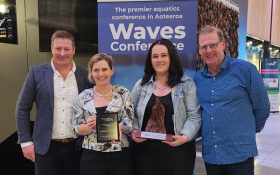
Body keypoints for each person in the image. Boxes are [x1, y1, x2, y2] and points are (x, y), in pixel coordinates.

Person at [193, 25, 270, 175]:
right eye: (204, 47)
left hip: (239, 154)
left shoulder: (245, 70)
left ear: (223, 44)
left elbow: (262, 107)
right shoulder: (198, 78)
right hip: (212, 155)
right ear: (200, 50)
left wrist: (248, 132)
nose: (208, 51)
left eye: (213, 45)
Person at [15, 30, 94, 175]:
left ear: (74, 50)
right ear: (51, 48)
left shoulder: (86, 76)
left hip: (78, 147)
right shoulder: (36, 73)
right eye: (58, 48)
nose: (62, 53)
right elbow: (22, 108)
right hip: (46, 149)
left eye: (67, 49)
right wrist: (25, 142)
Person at [130, 38, 202, 175]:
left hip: (178, 154)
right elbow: (129, 113)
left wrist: (185, 137)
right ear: (150, 60)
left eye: (164, 55)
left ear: (171, 57)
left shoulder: (187, 84)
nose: (159, 60)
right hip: (144, 154)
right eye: (155, 56)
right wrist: (133, 131)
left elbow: (195, 116)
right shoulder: (141, 85)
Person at [72, 53, 134, 175]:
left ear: (112, 70)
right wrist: (89, 126)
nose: (101, 74)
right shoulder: (83, 97)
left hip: (120, 155)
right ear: (91, 72)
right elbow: (76, 128)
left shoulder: (123, 93)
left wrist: (116, 127)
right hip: (92, 157)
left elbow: (129, 122)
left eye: (105, 69)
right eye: (96, 70)